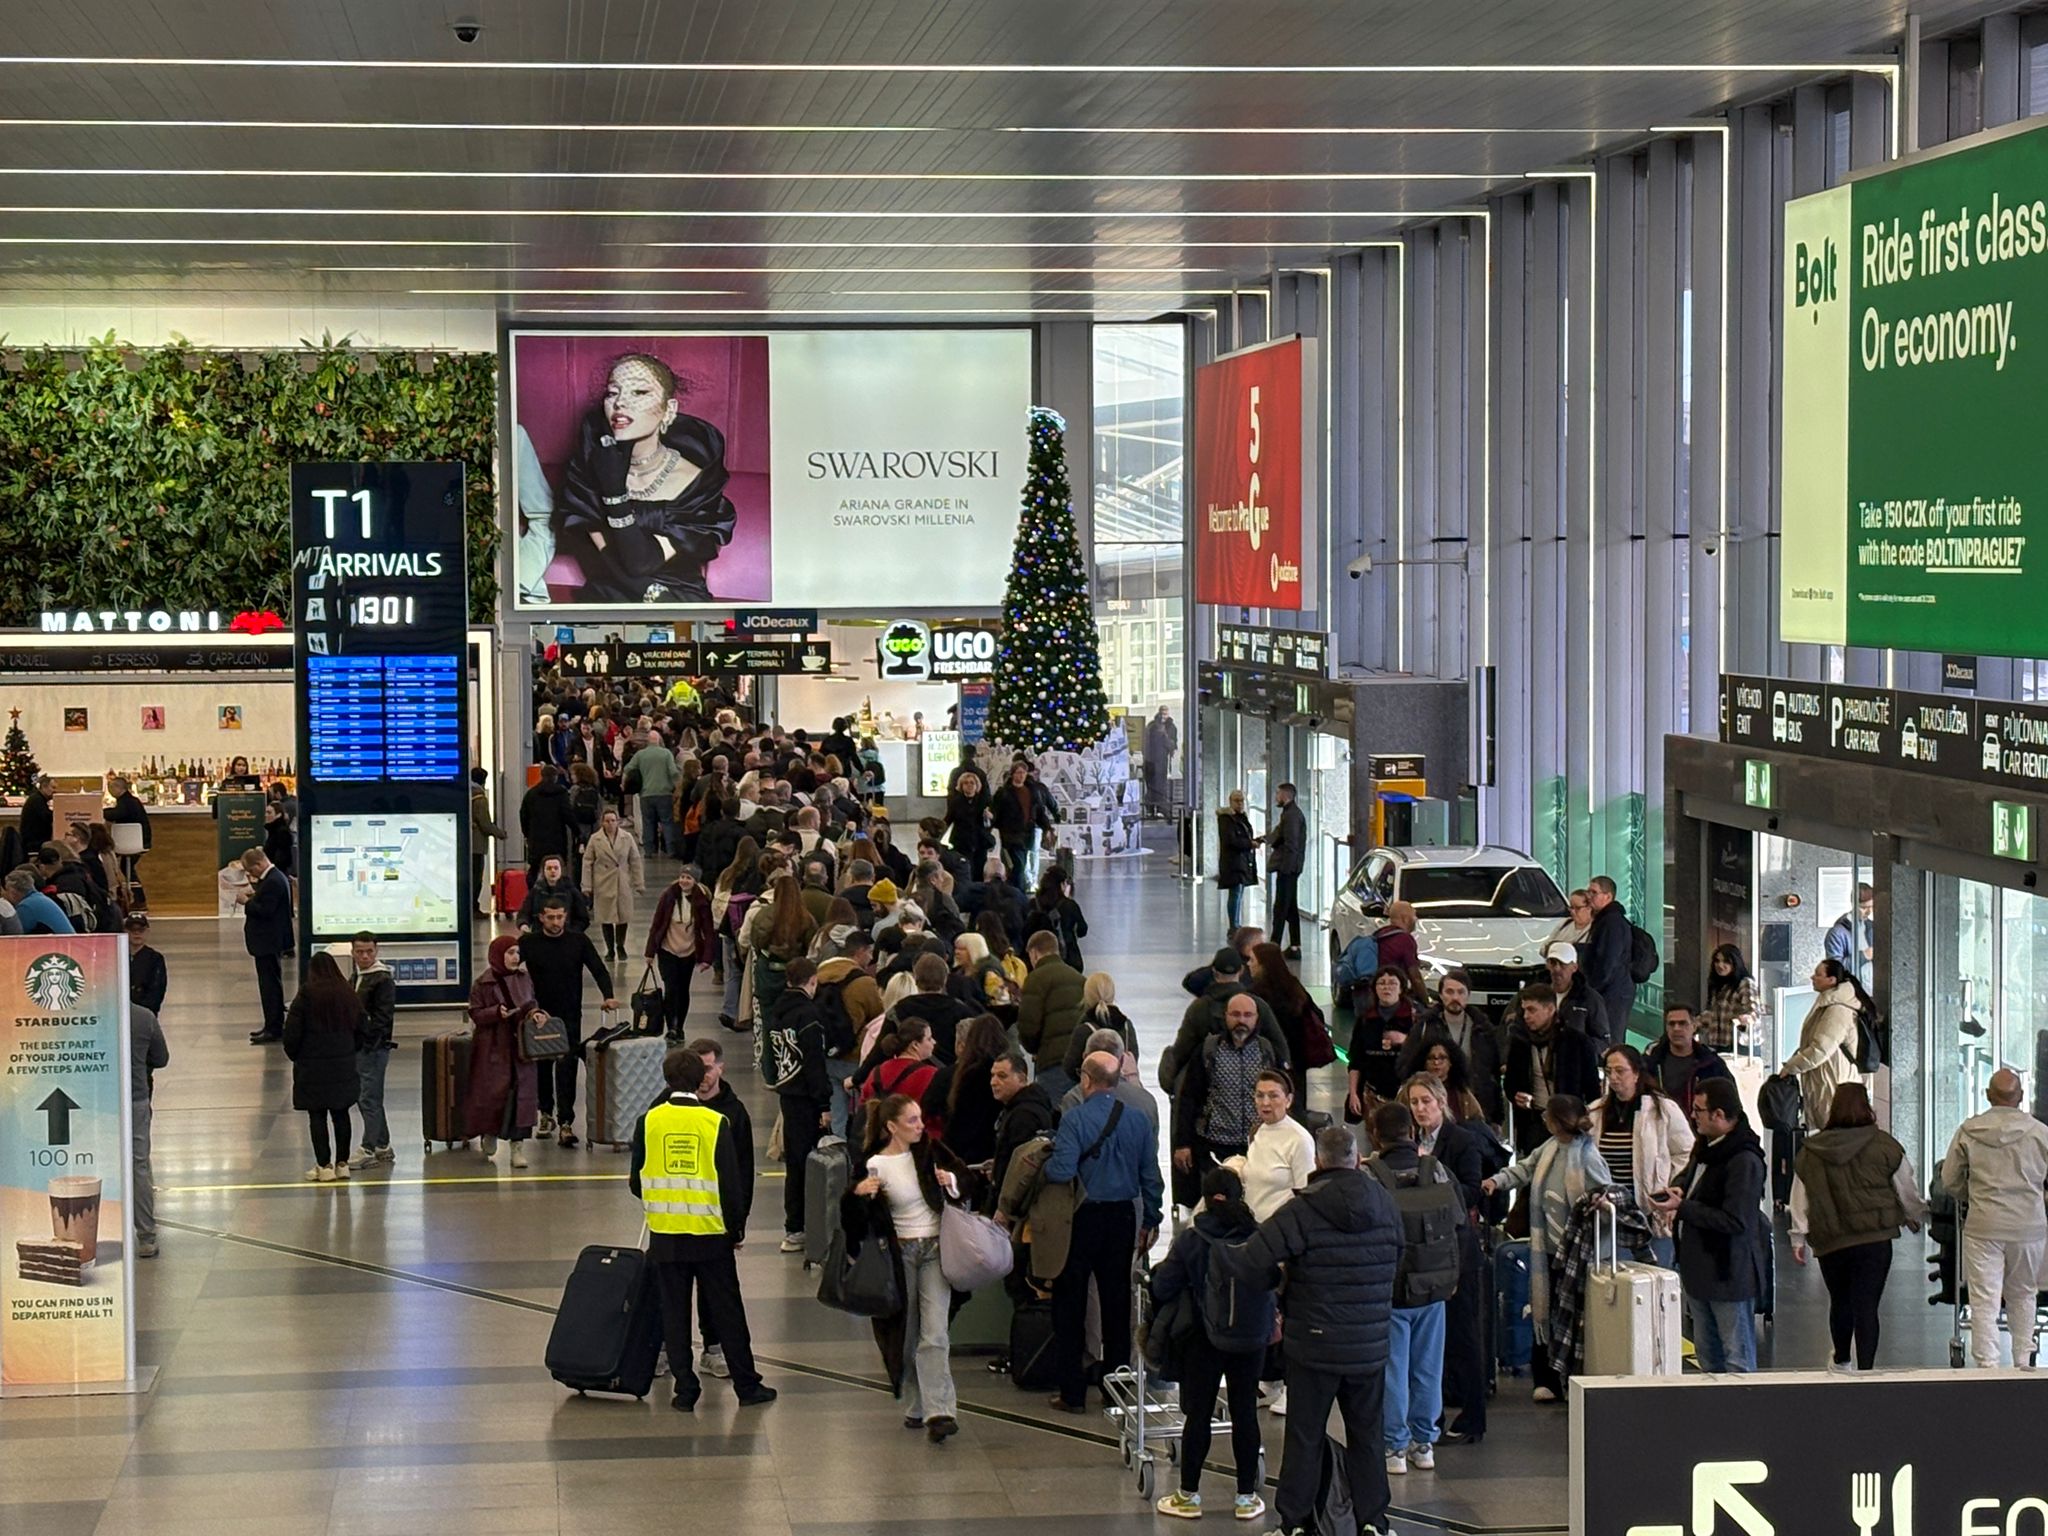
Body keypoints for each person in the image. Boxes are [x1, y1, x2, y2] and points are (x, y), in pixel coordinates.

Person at [1215, 1124, 1402, 1536]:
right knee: (1368, 1435)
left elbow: (1250, 1262)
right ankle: (1374, 1522)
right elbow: (1399, 1260)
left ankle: (1295, 1523)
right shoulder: (1386, 1204)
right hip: (1368, 1345)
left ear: (1318, 1161)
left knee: (1305, 1436)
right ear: (1356, 1158)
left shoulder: (1302, 1209)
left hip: (1313, 1343)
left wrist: (1278, 1284)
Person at [630, 1048, 776, 1410]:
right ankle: (747, 1385)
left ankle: (685, 1389)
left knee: (674, 1312)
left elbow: (636, 1182)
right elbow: (731, 1185)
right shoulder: (715, 1124)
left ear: (666, 1080)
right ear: (701, 1080)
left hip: (665, 1234)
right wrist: (736, 1229)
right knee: (727, 1310)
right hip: (711, 1234)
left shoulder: (648, 1121)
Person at [557, 353, 739, 604]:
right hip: (610, 596)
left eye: (639, 393)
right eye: (612, 393)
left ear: (669, 409)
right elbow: (617, 565)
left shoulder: (698, 481)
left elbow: (641, 562)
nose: (620, 402)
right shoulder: (586, 472)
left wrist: (614, 496)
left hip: (679, 600)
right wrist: (612, 490)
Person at [1045, 1051, 1164, 1413]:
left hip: (1081, 1219)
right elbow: (1150, 1177)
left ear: (1086, 1080)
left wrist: (1047, 1160)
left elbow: (1062, 1171)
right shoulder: (1138, 1120)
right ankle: (1118, 1389)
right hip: (1122, 1218)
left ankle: (1072, 1392)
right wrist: (1151, 1219)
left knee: (1071, 1304)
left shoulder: (1075, 1119)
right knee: (1117, 1304)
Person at [1151, 1166, 1271, 1522]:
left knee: (1199, 1415)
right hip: (1250, 1339)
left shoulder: (1193, 1238)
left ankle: (1188, 1496)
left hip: (1204, 1338)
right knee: (1245, 1412)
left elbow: (1163, 1286)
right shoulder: (1259, 1235)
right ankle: (1246, 1498)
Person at [845, 1092, 962, 1441]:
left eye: (920, 1118)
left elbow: (967, 1182)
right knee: (906, 1333)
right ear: (891, 1126)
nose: (921, 1126)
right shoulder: (872, 1164)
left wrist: (951, 1182)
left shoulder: (931, 1152)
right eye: (912, 1121)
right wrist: (858, 1195)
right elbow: (852, 1220)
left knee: (936, 1332)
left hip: (935, 1249)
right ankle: (917, 1404)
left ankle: (940, 1410)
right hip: (899, 1255)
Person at [1790, 1082, 1928, 1371]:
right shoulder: (1885, 1146)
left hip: (1831, 1240)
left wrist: (1798, 1238)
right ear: (1867, 1106)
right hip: (1874, 1240)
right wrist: (1915, 1215)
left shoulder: (1811, 1151)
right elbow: (1905, 1187)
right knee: (1867, 1306)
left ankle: (1841, 1361)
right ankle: (1867, 1370)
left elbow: (1800, 1196)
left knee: (1840, 1302)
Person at [1481, 1094, 1611, 1400]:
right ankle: (1548, 1380)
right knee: (1543, 1311)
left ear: (1558, 1121)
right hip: (1548, 1252)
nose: (1543, 1121)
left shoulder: (1589, 1159)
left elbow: (1605, 1196)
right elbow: (1524, 1170)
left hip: (1579, 1257)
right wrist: (1497, 1181)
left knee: (1573, 1318)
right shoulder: (1548, 1148)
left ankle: (1572, 1379)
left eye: (1547, 1117)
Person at [1364, 1100, 1464, 1479]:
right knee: (1427, 1368)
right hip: (1434, 1287)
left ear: (1375, 1134)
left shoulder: (1371, 1175)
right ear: (1412, 1132)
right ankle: (1425, 1443)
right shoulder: (1434, 1168)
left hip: (1389, 1290)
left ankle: (1394, 1445)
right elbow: (1456, 1221)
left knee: (1393, 1369)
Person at [1651, 1076, 1768, 1373]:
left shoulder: (1744, 1160)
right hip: (1699, 1270)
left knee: (1735, 1357)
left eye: (1699, 1110)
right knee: (1708, 1354)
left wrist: (1684, 1207)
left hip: (1728, 1272)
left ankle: (1740, 1415)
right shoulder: (1707, 1146)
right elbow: (1695, 1180)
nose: (1693, 1116)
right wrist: (1680, 1188)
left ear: (1719, 1115)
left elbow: (1735, 1220)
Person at [1940, 1067, 2048, 1369]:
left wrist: (1970, 1195)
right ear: (2021, 1097)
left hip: (1983, 1224)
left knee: (1984, 1298)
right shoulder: (2040, 1133)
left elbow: (1950, 1179)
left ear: (1988, 1096)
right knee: (2024, 1293)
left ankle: (1987, 1366)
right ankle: (2023, 1360)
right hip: (2029, 1226)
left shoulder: (1968, 1131)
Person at [1401, 1073, 1488, 1444]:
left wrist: (1431, 1173)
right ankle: (1429, 1415)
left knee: (1463, 1335)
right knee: (1430, 1340)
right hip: (1423, 1253)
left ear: (1441, 1103)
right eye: (1415, 1102)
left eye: (1426, 1102)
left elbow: (1470, 1191)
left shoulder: (1462, 1141)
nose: (1420, 1109)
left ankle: (1473, 1415)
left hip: (1456, 1251)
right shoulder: (1408, 1141)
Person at [522, 897, 616, 1148]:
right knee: (541, 1064)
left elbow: (598, 968)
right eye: (550, 917)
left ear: (565, 917)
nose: (555, 922)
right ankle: (545, 1113)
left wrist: (608, 995)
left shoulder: (578, 941)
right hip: (539, 1015)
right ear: (541, 917)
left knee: (567, 1066)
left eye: (559, 917)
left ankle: (566, 1121)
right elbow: (508, 965)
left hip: (570, 1015)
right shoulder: (529, 943)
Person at [1588, 1044, 1695, 1266]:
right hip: (1610, 1216)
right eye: (1609, 1071)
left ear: (1636, 1073)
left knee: (1655, 1283)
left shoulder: (1663, 1109)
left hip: (1651, 1214)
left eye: (1620, 1071)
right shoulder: (1596, 1112)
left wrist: (1670, 1189)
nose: (1614, 1078)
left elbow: (1686, 1153)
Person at [1173, 992, 1280, 1208]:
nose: (1242, 1020)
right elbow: (1188, 1098)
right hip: (1214, 1147)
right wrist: (1182, 1143)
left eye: (1248, 1015)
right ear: (1225, 1017)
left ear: (1257, 1019)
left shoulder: (1266, 1052)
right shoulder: (1209, 1050)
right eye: (1236, 1014)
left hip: (1257, 1145)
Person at [283, 952, 370, 1183]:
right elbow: (362, 1027)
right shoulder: (347, 993)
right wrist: (350, 1050)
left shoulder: (306, 995)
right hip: (343, 1064)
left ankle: (324, 1166)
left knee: (317, 1116)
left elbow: (291, 1032)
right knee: (341, 1114)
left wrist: (296, 1055)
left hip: (312, 1067)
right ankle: (343, 1164)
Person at [762, 957, 829, 1253]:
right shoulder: (809, 1015)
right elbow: (814, 1063)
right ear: (811, 981)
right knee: (811, 1164)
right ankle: (810, 1225)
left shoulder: (777, 1011)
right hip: (807, 1098)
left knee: (794, 1163)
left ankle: (794, 1227)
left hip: (787, 1094)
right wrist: (824, 1103)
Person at [466, 935, 543, 1169]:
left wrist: (536, 1014)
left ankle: (517, 1148)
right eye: (509, 953)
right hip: (494, 1048)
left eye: (517, 953)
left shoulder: (524, 978)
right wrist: (494, 1013)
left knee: (522, 1096)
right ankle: (489, 1133)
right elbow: (475, 1013)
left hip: (521, 1048)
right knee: (494, 1095)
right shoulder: (483, 983)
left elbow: (531, 1004)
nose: (515, 957)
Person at [1502, 983, 1603, 1154]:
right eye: (1524, 1010)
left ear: (1550, 1009)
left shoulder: (1577, 1042)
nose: (1526, 1016)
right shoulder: (1520, 1042)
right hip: (1534, 1123)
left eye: (1532, 1010)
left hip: (1570, 1125)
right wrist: (1516, 1095)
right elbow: (1511, 1082)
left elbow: (1592, 1089)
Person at [1395, 969, 1502, 1124]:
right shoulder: (1425, 1026)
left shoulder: (1483, 1028)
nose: (1455, 998)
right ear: (1441, 995)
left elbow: (1493, 1073)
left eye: (1460, 992)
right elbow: (1405, 1065)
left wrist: (1497, 1118)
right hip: (1432, 1105)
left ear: (1468, 995)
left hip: (1472, 1104)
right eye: (1450, 992)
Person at [1779, 956, 1866, 1130]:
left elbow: (1821, 1049)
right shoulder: (1828, 1005)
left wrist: (1791, 1067)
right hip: (1827, 1077)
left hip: (1833, 1080)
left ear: (1831, 980)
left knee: (1832, 1134)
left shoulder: (1838, 1010)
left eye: (1818, 974)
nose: (1813, 977)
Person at [644, 863, 716, 1042]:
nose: (684, 881)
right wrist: (650, 952)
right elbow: (657, 924)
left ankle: (680, 1026)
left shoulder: (701, 900)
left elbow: (708, 930)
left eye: (689, 878)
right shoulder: (668, 896)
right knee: (670, 988)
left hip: (689, 951)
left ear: (696, 881)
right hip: (667, 948)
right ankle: (672, 1028)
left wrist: (707, 958)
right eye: (682, 877)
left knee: (683, 990)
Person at [346, 932, 398, 1169]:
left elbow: (383, 1017)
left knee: (368, 1097)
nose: (364, 956)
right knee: (371, 1096)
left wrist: (368, 1043)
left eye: (369, 951)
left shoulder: (381, 979)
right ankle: (383, 1145)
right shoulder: (358, 975)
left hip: (373, 1048)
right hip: (362, 1046)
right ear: (353, 952)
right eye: (359, 951)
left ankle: (368, 1147)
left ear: (376, 951)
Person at [1016, 929, 1086, 1100]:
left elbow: (1029, 1026)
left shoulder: (1035, 979)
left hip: (1052, 1061)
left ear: (1033, 953)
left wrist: (1032, 1048)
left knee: (1052, 1116)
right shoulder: (1079, 978)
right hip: (1079, 1062)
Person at [1242, 1068, 1318, 1223]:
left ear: (1288, 1100)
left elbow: (1306, 1195)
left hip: (1281, 1229)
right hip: (1251, 1226)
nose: (1265, 1103)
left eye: (1273, 1096)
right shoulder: (1256, 1132)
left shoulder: (1299, 1140)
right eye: (1260, 1095)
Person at [236, 846, 293, 1045]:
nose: (250, 875)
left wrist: (246, 902)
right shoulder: (274, 879)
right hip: (269, 942)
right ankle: (271, 1025)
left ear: (260, 864)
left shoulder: (273, 881)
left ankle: (273, 1027)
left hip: (267, 942)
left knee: (270, 987)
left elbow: (265, 911)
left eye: (251, 870)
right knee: (270, 985)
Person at [989, 1046, 1057, 1210]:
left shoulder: (1024, 1116)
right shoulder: (1016, 1109)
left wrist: (1006, 1207)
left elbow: (1022, 1167)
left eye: (1002, 1076)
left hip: (1015, 1206)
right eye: (992, 1075)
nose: (993, 1082)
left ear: (1022, 1078)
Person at [1250, 943, 1323, 1095]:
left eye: (1252, 960)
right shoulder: (1294, 986)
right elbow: (1317, 1014)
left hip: (1268, 1061)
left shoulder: (1256, 995)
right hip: (1298, 1058)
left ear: (1263, 965)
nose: (1249, 965)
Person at [1645, 1003, 1735, 1119]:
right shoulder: (1651, 1062)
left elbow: (1731, 1106)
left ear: (1694, 1026)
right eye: (1671, 1024)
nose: (1676, 1028)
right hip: (1661, 1127)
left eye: (1683, 1023)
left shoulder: (1712, 1064)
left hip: (1700, 1131)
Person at [891, 952, 978, 1066]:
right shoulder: (961, 1010)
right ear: (945, 979)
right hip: (949, 1076)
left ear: (916, 978)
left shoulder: (900, 1009)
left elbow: (881, 1050)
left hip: (912, 1073)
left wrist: (860, 1077)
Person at [581, 807, 645, 963]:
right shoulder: (595, 839)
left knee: (623, 916)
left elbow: (635, 860)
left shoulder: (627, 838)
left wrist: (638, 883)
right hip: (603, 882)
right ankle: (609, 949)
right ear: (602, 822)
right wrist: (587, 886)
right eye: (607, 821)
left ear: (618, 822)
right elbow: (587, 862)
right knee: (606, 917)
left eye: (613, 820)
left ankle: (621, 946)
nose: (610, 824)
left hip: (622, 881)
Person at [130, 1000, 167, 1257]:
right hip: (136, 1097)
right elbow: (161, 1058)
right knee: (138, 1165)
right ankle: (146, 1235)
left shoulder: (95, 1018)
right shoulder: (145, 1017)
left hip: (98, 1102)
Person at [989, 760, 1055, 894]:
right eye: (1018, 772)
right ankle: (1019, 893)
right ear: (1013, 774)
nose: (1021, 775)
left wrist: (1047, 828)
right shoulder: (1004, 793)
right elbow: (996, 812)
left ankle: (1014, 892)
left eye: (1024, 772)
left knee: (1020, 865)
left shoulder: (1032, 792)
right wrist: (991, 819)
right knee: (1017, 865)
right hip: (1010, 835)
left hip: (1027, 834)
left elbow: (1039, 812)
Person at [1261, 782, 1308, 957]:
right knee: (1290, 907)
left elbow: (1291, 844)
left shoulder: (1291, 816)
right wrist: (1262, 840)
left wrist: (1287, 869)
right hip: (1291, 867)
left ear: (1286, 795)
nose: (1276, 797)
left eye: (1278, 794)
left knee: (1281, 907)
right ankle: (1295, 946)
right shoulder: (1289, 814)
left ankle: (1274, 946)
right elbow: (1278, 835)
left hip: (1288, 868)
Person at [1543, 940, 1612, 1047]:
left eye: (1562, 964)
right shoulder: (1535, 993)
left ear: (1574, 967)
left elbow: (1602, 1040)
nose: (1556, 969)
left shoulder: (1590, 999)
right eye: (1552, 963)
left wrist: (1580, 1052)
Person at [625, 730, 680, 857]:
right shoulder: (666, 754)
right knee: (667, 822)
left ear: (648, 741)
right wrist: (676, 786)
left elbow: (628, 768)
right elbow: (673, 772)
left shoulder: (640, 754)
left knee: (648, 822)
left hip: (646, 794)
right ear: (659, 740)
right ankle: (670, 850)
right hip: (664, 793)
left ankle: (649, 850)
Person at [1024, 862, 1088, 971]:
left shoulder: (1032, 904)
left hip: (1037, 961)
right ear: (1062, 884)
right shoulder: (1070, 905)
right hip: (1068, 961)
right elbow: (1083, 930)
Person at [519, 764, 575, 880]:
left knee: (534, 869)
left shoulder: (531, 794)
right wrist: (577, 832)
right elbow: (568, 815)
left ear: (541, 776)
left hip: (536, 839)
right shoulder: (561, 793)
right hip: (557, 840)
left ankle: (534, 894)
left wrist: (527, 834)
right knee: (557, 869)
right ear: (555, 777)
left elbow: (523, 816)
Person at [1701, 943, 1759, 1053]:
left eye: (1726, 962)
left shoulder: (1745, 983)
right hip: (1718, 1043)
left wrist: (1745, 1019)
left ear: (1735, 963)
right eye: (1717, 961)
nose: (1720, 965)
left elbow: (1754, 1011)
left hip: (1741, 1045)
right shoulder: (1717, 985)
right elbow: (1712, 1013)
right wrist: (1694, 1023)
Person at [1216, 789, 1259, 929]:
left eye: (1242, 800)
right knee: (1235, 893)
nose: (1240, 804)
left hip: (1243, 861)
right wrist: (1250, 844)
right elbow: (1230, 840)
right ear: (1230, 802)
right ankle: (1233, 925)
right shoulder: (1225, 819)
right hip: (1233, 862)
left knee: (1239, 893)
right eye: (1237, 801)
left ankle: (1236, 924)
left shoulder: (1242, 817)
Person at [518, 853, 591, 933]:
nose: (553, 871)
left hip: (566, 937)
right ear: (543, 871)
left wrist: (572, 933)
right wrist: (523, 924)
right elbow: (524, 913)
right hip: (540, 936)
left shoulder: (572, 891)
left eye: (556, 868)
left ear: (561, 870)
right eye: (549, 868)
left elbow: (583, 918)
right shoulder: (535, 891)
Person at [1825, 882, 1876, 993]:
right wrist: (1864, 956)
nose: (1869, 911)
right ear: (1853, 904)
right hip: (1850, 994)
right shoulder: (1837, 933)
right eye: (1864, 907)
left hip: (1871, 992)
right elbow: (1835, 969)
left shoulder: (1872, 927)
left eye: (1872, 906)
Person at [943, 767, 993, 878]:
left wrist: (990, 817)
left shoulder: (983, 801)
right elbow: (948, 820)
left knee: (979, 870)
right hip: (962, 842)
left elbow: (993, 821)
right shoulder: (956, 802)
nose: (969, 785)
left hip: (980, 841)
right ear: (961, 786)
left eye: (972, 783)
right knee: (965, 870)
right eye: (966, 783)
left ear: (977, 786)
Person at [469, 767, 503, 916]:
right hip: (476, 845)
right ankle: (474, 908)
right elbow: (485, 823)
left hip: (466, 844)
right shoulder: (479, 798)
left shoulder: (466, 794)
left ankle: (469, 907)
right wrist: (500, 833)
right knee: (476, 877)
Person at [4, 869, 71, 936]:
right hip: (69, 942)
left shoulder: (26, 907)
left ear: (13, 893)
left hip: (59, 945)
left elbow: (15, 935)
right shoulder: (39, 899)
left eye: (6, 890)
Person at [125, 912, 167, 1014]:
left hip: (145, 1014)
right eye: (133, 930)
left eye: (141, 930)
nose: (137, 933)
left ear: (147, 931)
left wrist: (144, 1012)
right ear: (125, 931)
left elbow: (157, 990)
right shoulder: (116, 956)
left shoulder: (155, 959)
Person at [1142, 706, 1178, 820]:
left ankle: (1161, 809)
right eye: (1162, 713)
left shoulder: (1171, 727)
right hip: (1150, 761)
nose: (1163, 716)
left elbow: (1172, 745)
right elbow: (1145, 742)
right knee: (1150, 786)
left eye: (1165, 713)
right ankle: (1150, 810)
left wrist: (1165, 735)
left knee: (1160, 786)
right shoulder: (1151, 726)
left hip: (1161, 761)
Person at [20, 773, 52, 853]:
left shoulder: (37, 798)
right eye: (53, 787)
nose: (55, 791)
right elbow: (47, 817)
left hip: (34, 840)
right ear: (44, 787)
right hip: (34, 843)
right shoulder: (37, 800)